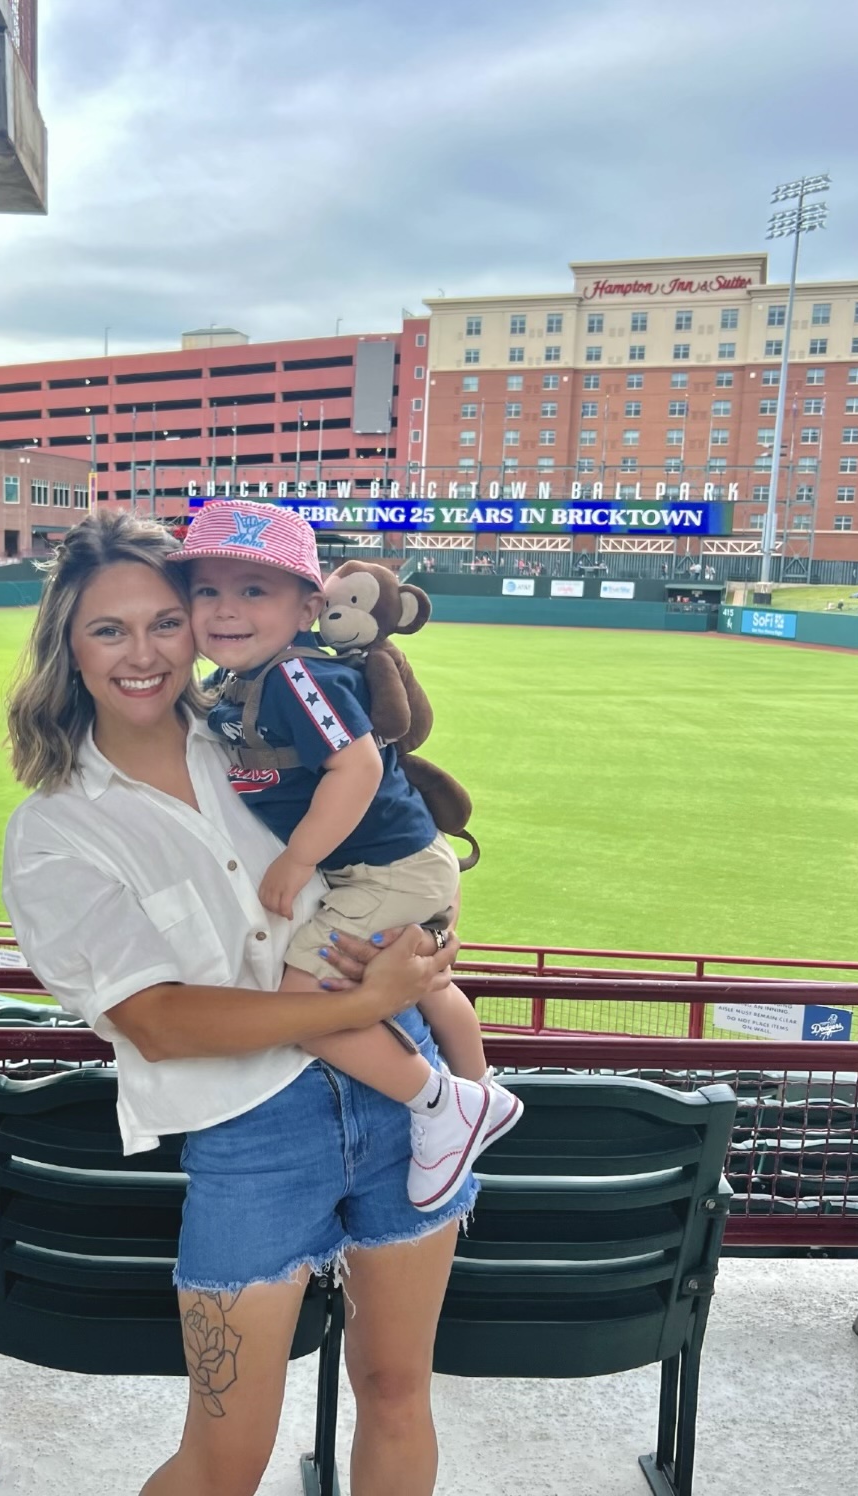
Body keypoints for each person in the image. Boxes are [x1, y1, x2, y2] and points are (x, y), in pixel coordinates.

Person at [3, 511, 473, 1495]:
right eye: (108, 629)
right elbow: (159, 1022)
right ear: (68, 647)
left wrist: (422, 951)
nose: (143, 653)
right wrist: (376, 991)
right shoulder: (54, 831)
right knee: (226, 1457)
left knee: (397, 1391)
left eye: (164, 622)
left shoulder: (255, 736)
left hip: (401, 1096)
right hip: (249, 1131)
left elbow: (381, 853)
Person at [173, 501, 520, 1213]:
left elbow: (356, 769)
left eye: (254, 591)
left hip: (386, 869)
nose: (227, 609)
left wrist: (298, 860)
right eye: (208, 590)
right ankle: (483, 1096)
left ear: (308, 609)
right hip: (404, 863)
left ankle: (444, 1106)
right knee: (429, 986)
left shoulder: (303, 680)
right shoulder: (240, 684)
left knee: (300, 1006)